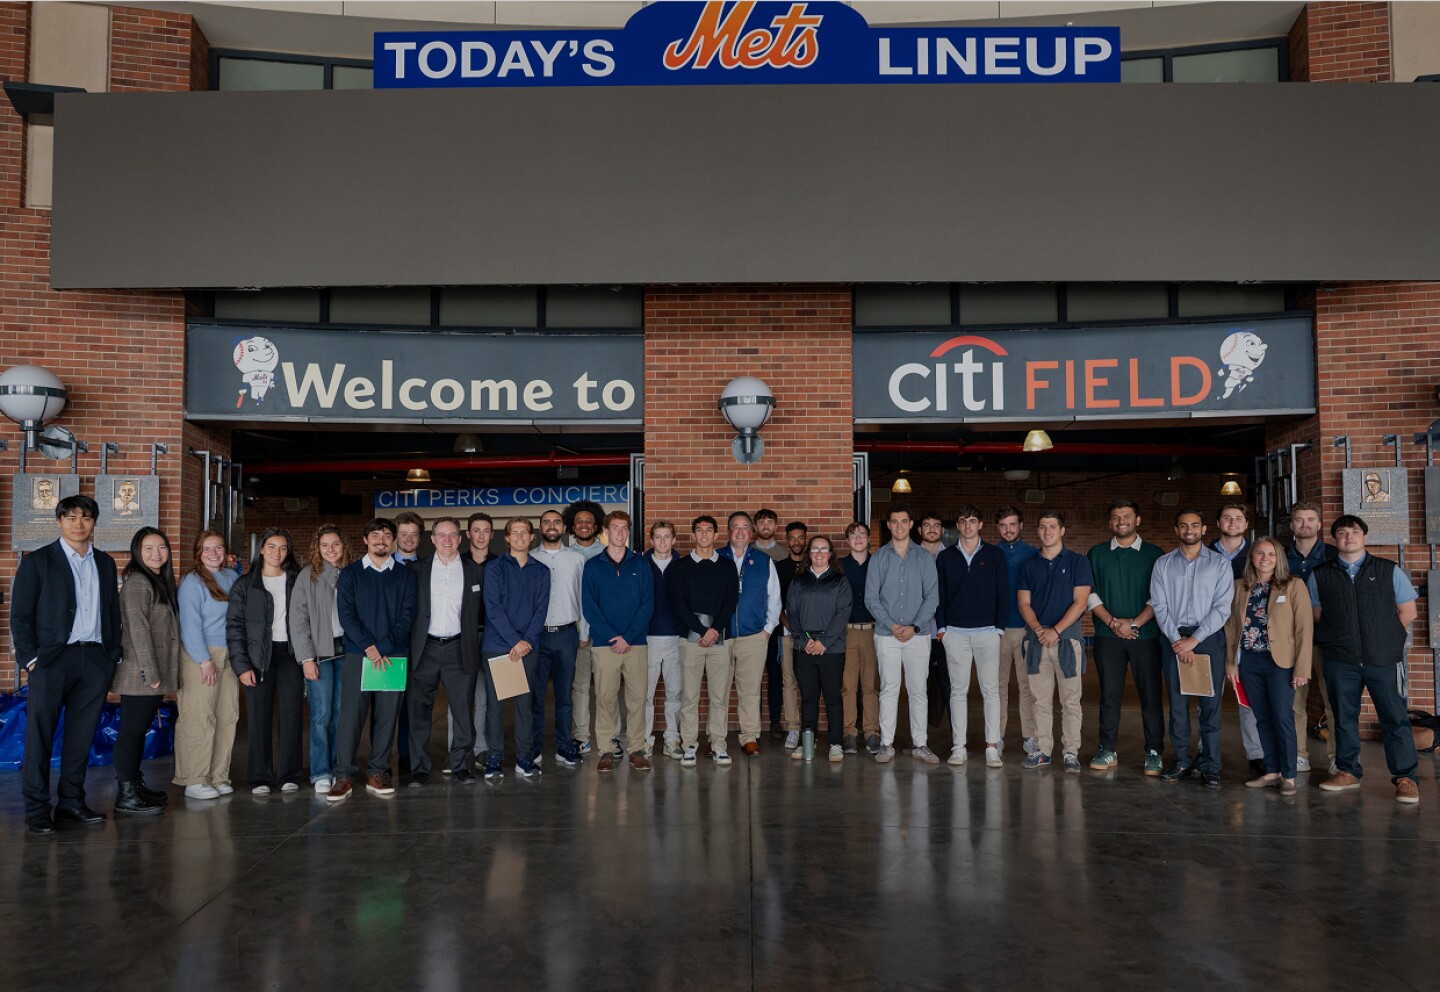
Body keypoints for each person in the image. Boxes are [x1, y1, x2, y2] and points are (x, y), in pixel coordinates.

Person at [12, 495, 122, 834]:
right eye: (71, 517)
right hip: (52, 661)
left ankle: (71, 803)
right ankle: (37, 809)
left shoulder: (104, 562)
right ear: (60, 521)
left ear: (94, 523)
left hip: (94, 660)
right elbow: (21, 615)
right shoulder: (38, 562)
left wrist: (111, 654)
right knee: (40, 736)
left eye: (86, 517)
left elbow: (112, 611)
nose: (79, 523)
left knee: (81, 736)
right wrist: (31, 660)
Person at [1308, 515, 1420, 804]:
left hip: (1382, 660)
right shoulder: (1321, 574)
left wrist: (1387, 643)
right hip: (1340, 660)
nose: (1348, 537)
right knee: (1344, 718)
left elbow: (1408, 612)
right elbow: (1317, 616)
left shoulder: (1388, 570)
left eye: (1354, 532)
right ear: (1334, 540)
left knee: (1395, 719)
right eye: (1342, 533)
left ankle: (1406, 777)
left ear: (1365, 536)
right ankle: (1347, 771)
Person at [330, 517, 418, 801]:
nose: (381, 539)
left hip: (393, 656)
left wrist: (383, 646)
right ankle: (343, 774)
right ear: (365, 540)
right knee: (351, 717)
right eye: (375, 535)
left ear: (392, 541)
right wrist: (369, 646)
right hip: (359, 655)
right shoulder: (351, 573)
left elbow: (407, 616)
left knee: (386, 718)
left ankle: (377, 772)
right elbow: (347, 615)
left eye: (386, 535)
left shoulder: (405, 575)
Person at [1149, 509, 1234, 789]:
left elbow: (1223, 607)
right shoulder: (1163, 564)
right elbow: (1159, 606)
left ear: (1204, 528)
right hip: (1173, 639)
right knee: (1178, 705)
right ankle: (1182, 760)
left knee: (1210, 707)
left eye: (1195, 525)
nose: (1189, 530)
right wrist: (1178, 641)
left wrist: (1194, 640)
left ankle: (1210, 765)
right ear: (1176, 530)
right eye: (1183, 525)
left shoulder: (1220, 564)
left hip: (1208, 639)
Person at [1224, 537, 1313, 795]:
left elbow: (1304, 630)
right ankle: (1271, 770)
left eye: (1271, 554)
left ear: (1279, 559)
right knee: (1261, 717)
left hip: (1281, 663)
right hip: (1249, 662)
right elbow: (1231, 627)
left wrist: (1302, 669)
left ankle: (1289, 776)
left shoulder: (1293, 586)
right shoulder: (1240, 587)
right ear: (1251, 558)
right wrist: (1231, 663)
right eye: (1259, 553)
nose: (1265, 558)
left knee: (1283, 717)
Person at [1085, 499, 1166, 776]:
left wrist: (1133, 623)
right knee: (1109, 695)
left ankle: (1154, 751)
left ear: (1137, 520)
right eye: (1116, 517)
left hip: (1146, 636)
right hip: (1108, 635)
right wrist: (1113, 622)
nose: (1121, 521)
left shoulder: (1156, 555)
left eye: (1127, 516)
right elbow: (1090, 594)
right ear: (1110, 523)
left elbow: (1160, 597)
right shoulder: (1096, 554)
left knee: (1151, 695)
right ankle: (1107, 749)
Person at [405, 517, 485, 785]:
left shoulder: (475, 571)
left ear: (461, 539)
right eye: (442, 535)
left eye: (452, 535)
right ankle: (418, 768)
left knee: (463, 711)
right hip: (424, 648)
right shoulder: (416, 570)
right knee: (419, 711)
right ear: (432, 539)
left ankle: (461, 764)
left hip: (460, 648)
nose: (447, 540)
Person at [227, 527, 302, 795]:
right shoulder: (245, 585)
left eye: (283, 548)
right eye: (271, 546)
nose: (277, 552)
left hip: (291, 655)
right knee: (258, 718)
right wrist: (242, 665)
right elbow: (234, 628)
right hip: (258, 658)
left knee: (292, 716)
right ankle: (260, 777)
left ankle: (289, 774)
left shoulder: (297, 580)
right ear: (261, 549)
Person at [1016, 510, 1093, 774]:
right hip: (1037, 643)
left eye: (1052, 526)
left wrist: (1056, 631)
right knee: (1040, 700)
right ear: (1037, 531)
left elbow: (1081, 602)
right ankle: (1044, 751)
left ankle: (1071, 752)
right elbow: (1023, 603)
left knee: (1071, 701)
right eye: (1042, 527)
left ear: (1062, 530)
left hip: (1067, 642)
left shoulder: (1077, 562)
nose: (1047, 531)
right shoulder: (1028, 565)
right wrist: (1039, 630)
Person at [112, 526, 181, 815]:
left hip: (154, 673)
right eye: (149, 548)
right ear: (137, 552)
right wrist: (150, 672)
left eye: (161, 547)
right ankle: (126, 795)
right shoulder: (138, 583)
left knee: (137, 733)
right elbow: (137, 630)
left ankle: (135, 786)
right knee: (131, 732)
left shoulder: (156, 581)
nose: (156, 553)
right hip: (142, 673)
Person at [864, 504, 939, 764]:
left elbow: (932, 598)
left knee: (918, 690)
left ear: (910, 525)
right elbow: (871, 598)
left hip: (917, 636)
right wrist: (894, 625)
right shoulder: (879, 558)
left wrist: (915, 626)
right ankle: (886, 744)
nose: (898, 526)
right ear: (889, 525)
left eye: (903, 521)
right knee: (889, 689)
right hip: (887, 634)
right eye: (894, 522)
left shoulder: (924, 558)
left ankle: (921, 744)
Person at [935, 504, 1008, 768]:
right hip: (955, 633)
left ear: (980, 525)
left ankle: (991, 746)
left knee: (991, 691)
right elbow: (939, 596)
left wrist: (998, 628)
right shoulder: (945, 558)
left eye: (973, 521)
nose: (968, 526)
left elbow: (1003, 594)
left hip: (987, 632)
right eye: (963, 521)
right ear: (958, 525)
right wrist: (942, 628)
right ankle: (959, 747)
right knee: (958, 691)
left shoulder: (994, 555)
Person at [583, 511, 654, 772]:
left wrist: (629, 637)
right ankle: (607, 750)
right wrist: (614, 636)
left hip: (636, 644)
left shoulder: (640, 564)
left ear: (628, 531)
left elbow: (647, 605)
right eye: (615, 528)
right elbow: (589, 608)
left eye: (624, 528)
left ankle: (636, 749)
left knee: (637, 699)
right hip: (605, 644)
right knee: (605, 699)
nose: (620, 533)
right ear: (606, 531)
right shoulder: (593, 566)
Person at [482, 517, 551, 780]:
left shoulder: (541, 571)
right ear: (507, 538)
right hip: (498, 646)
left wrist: (526, 643)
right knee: (495, 706)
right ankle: (495, 757)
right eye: (515, 533)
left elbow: (541, 610)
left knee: (526, 704)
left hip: (527, 647)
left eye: (525, 532)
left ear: (532, 537)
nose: (520, 537)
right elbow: (493, 608)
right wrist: (514, 641)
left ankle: (524, 757)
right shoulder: (495, 568)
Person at [668, 515, 739, 767]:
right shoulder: (680, 567)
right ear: (694, 535)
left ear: (717, 535)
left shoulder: (727, 566)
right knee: (690, 696)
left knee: (719, 696)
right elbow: (678, 604)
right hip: (690, 640)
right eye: (700, 530)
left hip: (721, 638)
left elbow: (731, 602)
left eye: (709, 530)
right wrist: (701, 630)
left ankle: (718, 744)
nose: (705, 535)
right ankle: (689, 745)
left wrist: (714, 630)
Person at [174, 531, 240, 801]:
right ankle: (194, 779)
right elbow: (189, 625)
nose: (213, 553)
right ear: (198, 553)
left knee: (228, 715)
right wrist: (203, 660)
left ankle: (218, 776)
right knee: (199, 717)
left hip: (229, 654)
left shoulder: (231, 577)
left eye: (218, 548)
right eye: (207, 549)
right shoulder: (192, 582)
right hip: (201, 655)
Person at [290, 524, 351, 794]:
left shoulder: (352, 574)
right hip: (321, 655)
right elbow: (298, 620)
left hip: (349, 653)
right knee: (321, 715)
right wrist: (306, 658)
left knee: (341, 715)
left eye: (335, 544)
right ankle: (320, 772)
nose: (330, 549)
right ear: (317, 548)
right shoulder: (307, 577)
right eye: (325, 545)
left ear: (343, 545)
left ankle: (340, 770)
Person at [718, 511, 782, 756]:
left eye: (745, 527)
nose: (741, 531)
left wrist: (766, 631)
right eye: (736, 527)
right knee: (718, 690)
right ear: (729, 531)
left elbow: (774, 600)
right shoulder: (715, 558)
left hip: (753, 637)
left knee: (750, 690)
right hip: (720, 638)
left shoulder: (764, 561)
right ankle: (718, 738)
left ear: (751, 532)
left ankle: (749, 736)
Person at [786, 535, 852, 763]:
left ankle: (835, 743)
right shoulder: (798, 581)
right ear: (809, 553)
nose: (820, 553)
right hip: (804, 648)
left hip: (832, 649)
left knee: (833, 696)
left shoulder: (839, 581)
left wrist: (824, 642)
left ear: (831, 554)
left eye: (824, 549)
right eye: (815, 549)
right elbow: (792, 613)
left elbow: (843, 613)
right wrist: (805, 642)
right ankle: (808, 742)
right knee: (808, 697)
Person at [1284, 501, 1338, 775]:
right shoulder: (1280, 556)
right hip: (1290, 641)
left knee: (1333, 700)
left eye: (1310, 519)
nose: (1304, 524)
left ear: (1319, 524)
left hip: (1326, 640)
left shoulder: (1334, 555)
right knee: (1294, 703)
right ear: (1291, 524)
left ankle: (1337, 757)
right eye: (1299, 520)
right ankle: (1298, 754)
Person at [532, 510, 585, 767]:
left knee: (565, 695)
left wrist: (584, 633)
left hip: (567, 634)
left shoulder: (577, 559)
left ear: (564, 528)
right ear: (539, 527)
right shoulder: (529, 558)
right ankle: (533, 747)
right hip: (536, 636)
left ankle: (564, 746)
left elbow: (584, 598)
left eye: (556, 522)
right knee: (535, 695)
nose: (551, 526)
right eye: (546, 522)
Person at [446, 511, 493, 772]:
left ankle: (481, 749)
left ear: (492, 534)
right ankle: (456, 749)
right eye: (476, 530)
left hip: (490, 637)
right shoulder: (455, 563)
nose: (481, 535)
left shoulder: (499, 564)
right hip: (462, 638)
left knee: (483, 698)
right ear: (467, 534)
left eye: (486, 530)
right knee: (459, 698)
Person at [994, 507, 1040, 758]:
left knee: (1027, 686)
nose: (1008, 530)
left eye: (1012, 524)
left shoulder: (1034, 555)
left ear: (1021, 525)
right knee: (997, 686)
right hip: (997, 632)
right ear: (997, 528)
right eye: (1003, 525)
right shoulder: (990, 554)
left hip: (1025, 630)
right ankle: (996, 737)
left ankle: (1030, 737)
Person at [565, 499, 605, 754]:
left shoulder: (607, 553)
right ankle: (581, 736)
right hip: (576, 635)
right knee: (579, 687)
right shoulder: (567, 555)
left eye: (588, 521)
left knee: (606, 689)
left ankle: (610, 737)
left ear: (596, 525)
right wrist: (581, 633)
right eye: (579, 521)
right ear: (572, 525)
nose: (583, 525)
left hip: (604, 633)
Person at [643, 520, 684, 759]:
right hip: (647, 638)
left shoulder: (684, 565)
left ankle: (671, 739)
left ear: (674, 539)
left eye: (667, 536)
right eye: (657, 537)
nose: (662, 541)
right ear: (651, 540)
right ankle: (645, 740)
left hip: (676, 638)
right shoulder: (640, 564)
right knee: (646, 694)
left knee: (674, 692)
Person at [840, 522, 880, 755]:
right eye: (853, 534)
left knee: (871, 685)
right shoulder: (840, 566)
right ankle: (849, 733)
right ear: (847, 540)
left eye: (862, 534)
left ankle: (872, 732)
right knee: (848, 685)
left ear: (868, 539)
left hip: (874, 631)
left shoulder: (878, 563)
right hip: (847, 631)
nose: (858, 538)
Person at [769, 520, 806, 745]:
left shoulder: (814, 565)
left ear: (806, 539)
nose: (796, 542)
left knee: (810, 682)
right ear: (787, 541)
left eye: (800, 538)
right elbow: (776, 602)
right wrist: (790, 626)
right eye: (792, 538)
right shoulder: (779, 567)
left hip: (813, 636)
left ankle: (808, 728)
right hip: (787, 634)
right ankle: (793, 728)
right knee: (788, 682)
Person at [917, 511, 950, 725]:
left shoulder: (952, 556)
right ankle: (919, 734)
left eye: (936, 525)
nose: (931, 529)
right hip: (917, 631)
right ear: (919, 530)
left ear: (942, 530)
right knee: (918, 684)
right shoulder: (910, 556)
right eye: (927, 525)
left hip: (945, 630)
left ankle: (957, 736)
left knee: (950, 682)